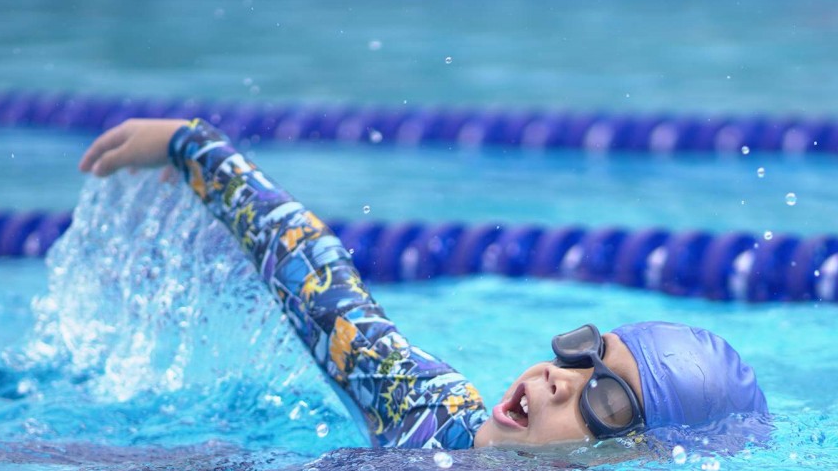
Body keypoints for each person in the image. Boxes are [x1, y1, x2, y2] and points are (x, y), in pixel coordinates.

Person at [78, 118, 768, 451]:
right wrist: (197, 149)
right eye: (584, 353)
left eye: (608, 401)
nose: (560, 379)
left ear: (635, 464)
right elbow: (321, 285)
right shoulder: (428, 414)